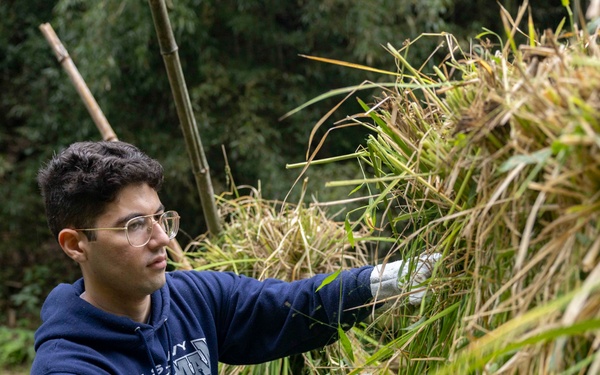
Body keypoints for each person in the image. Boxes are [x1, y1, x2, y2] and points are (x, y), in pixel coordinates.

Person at [31, 141, 440, 375]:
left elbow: (297, 306)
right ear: (76, 244)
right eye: (135, 225)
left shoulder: (194, 299)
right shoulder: (69, 366)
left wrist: (404, 278)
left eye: (160, 218)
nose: (161, 239)